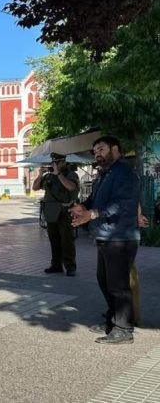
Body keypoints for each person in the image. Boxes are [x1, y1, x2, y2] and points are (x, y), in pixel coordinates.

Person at [71, 135, 140, 345]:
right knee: (105, 281)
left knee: (118, 284)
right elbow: (96, 199)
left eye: (101, 149)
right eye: (95, 151)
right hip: (105, 235)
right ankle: (113, 320)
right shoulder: (105, 173)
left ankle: (124, 329)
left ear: (115, 149)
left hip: (120, 236)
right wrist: (83, 206)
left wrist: (92, 214)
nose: (97, 153)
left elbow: (124, 204)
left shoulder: (124, 172)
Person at [33, 153, 80, 276]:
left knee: (67, 241)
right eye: (53, 163)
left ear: (63, 162)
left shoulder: (70, 174)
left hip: (65, 211)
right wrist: (40, 175)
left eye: (57, 163)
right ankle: (56, 265)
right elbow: (35, 187)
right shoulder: (49, 176)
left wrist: (58, 174)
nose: (55, 165)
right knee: (54, 240)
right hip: (51, 211)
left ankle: (70, 267)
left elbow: (71, 187)